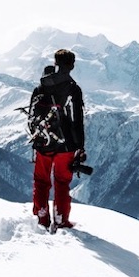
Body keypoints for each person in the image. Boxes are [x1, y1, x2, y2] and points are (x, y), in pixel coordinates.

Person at [27, 48, 86, 229]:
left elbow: (31, 117)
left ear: (55, 63)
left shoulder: (40, 87)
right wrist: (80, 146)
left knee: (41, 181)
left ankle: (41, 217)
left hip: (43, 142)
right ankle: (61, 219)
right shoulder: (73, 89)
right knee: (61, 182)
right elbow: (77, 120)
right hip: (66, 145)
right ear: (72, 66)